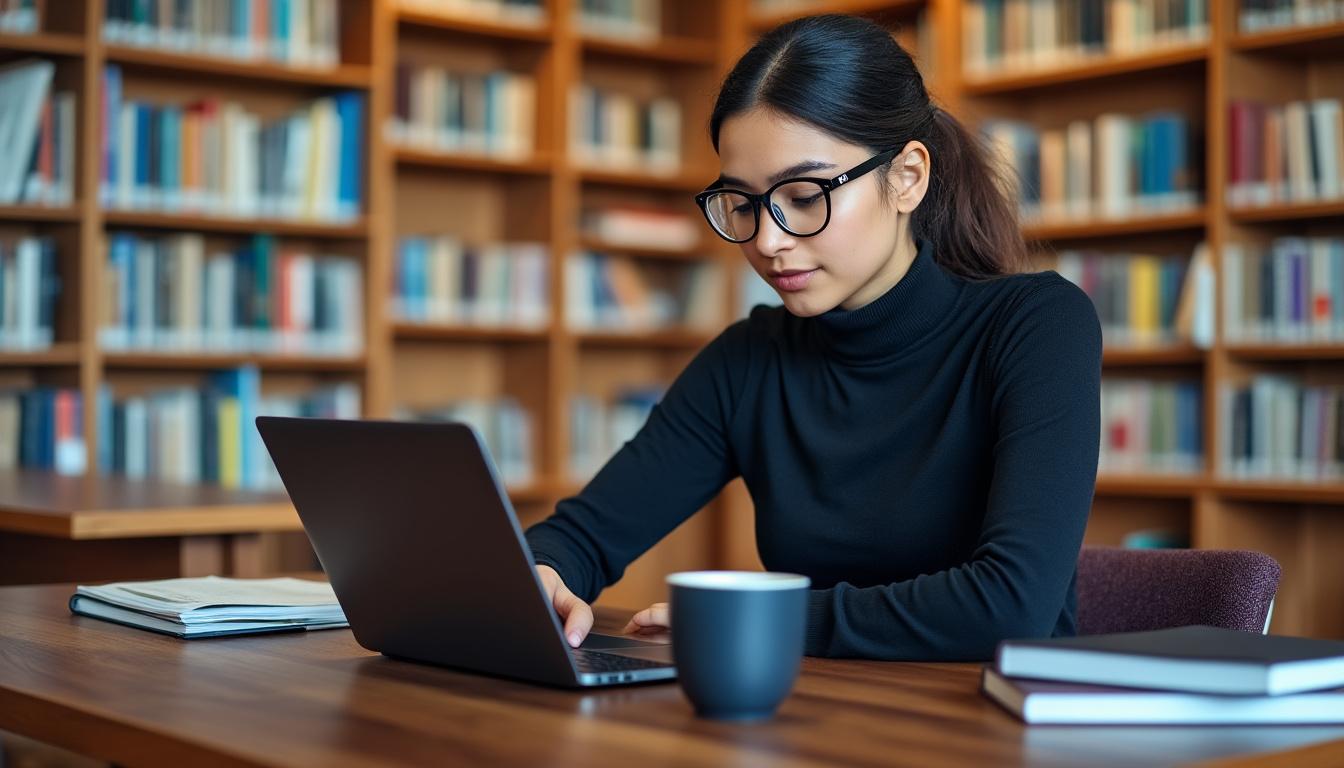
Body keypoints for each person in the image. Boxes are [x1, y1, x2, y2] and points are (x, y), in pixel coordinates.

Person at [525, 13, 1101, 661]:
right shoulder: (750, 359)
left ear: (907, 176)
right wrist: (545, 573)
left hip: (995, 728)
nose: (768, 241)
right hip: (815, 717)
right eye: (742, 204)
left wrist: (750, 617)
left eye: (803, 195)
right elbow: (583, 534)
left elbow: (1011, 604)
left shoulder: (1037, 325)